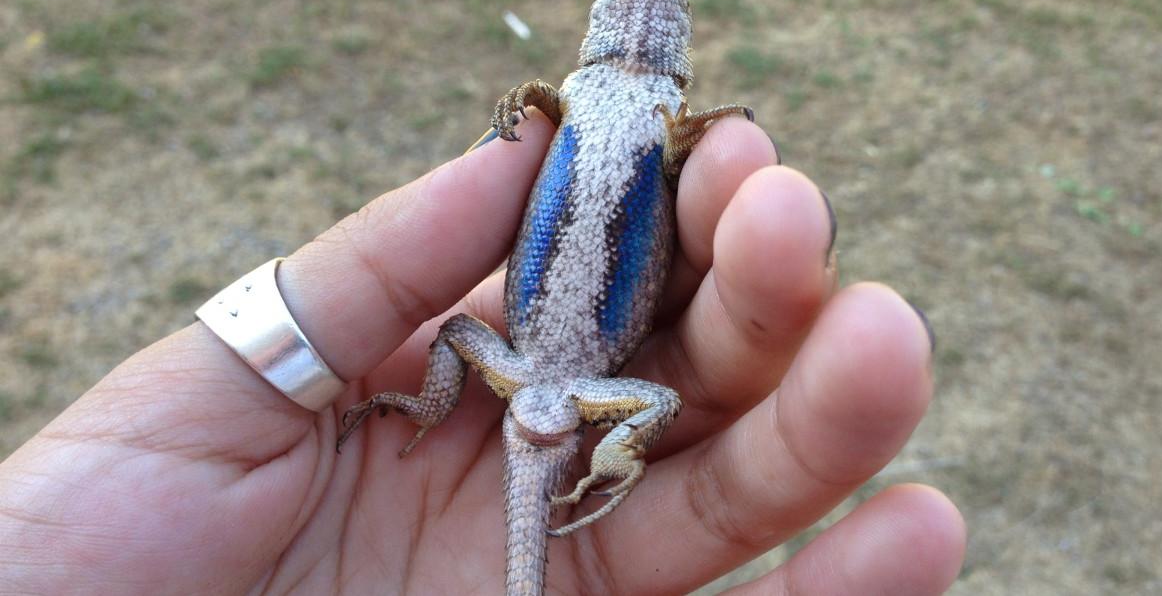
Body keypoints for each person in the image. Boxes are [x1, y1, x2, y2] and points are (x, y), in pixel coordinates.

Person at [0, 114, 965, 594]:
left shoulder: (591, 112)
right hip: (573, 381)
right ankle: (573, 457)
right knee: (659, 400)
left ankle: (491, 433)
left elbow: (463, 333)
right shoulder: (654, 117)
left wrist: (440, 402)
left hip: (527, 368)